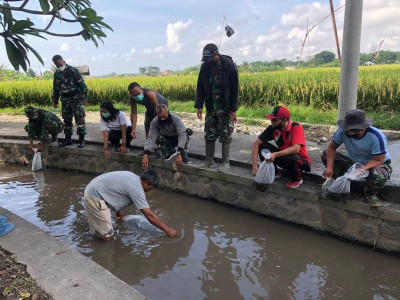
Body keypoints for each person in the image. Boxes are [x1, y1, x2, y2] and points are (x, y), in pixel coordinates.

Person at [321, 109, 392, 206]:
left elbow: (379, 160)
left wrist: (362, 170)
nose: (353, 133)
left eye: (357, 130)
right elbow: (331, 148)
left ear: (364, 127)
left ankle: (370, 193)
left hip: (377, 164)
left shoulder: (376, 137)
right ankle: (339, 184)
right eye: (350, 130)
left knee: (378, 174)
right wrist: (329, 168)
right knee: (326, 154)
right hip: (354, 162)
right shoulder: (342, 132)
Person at [83, 170, 178, 240]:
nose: (149, 190)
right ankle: (99, 250)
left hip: (94, 189)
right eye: (150, 188)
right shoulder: (136, 188)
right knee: (107, 238)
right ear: (145, 183)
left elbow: (115, 190)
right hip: (94, 196)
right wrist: (167, 230)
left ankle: (96, 231)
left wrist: (118, 210)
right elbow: (148, 214)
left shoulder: (133, 177)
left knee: (101, 228)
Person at [195, 43, 239, 171]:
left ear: (217, 54)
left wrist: (233, 109)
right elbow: (200, 86)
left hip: (225, 106)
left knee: (225, 134)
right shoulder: (205, 67)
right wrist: (199, 106)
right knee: (209, 133)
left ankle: (225, 162)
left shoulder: (228, 65)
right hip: (211, 106)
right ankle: (209, 160)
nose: (208, 62)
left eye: (210, 59)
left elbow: (235, 88)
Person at [252, 106, 312, 188]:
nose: (271, 122)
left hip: (300, 161)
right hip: (284, 157)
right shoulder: (272, 129)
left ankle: (296, 179)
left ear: (284, 120)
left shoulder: (296, 127)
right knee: (263, 146)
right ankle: (275, 172)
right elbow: (256, 144)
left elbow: (296, 149)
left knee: (291, 158)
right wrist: (255, 166)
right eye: (271, 120)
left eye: (274, 120)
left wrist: (275, 154)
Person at [52, 54, 88, 148]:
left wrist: (84, 97)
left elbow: (82, 85)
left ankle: (82, 140)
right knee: (67, 120)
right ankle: (68, 139)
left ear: (62, 60)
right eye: (55, 64)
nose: (57, 65)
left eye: (58, 63)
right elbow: (55, 88)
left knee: (79, 119)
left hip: (75, 98)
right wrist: (55, 100)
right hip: (64, 99)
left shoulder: (73, 70)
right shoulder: (57, 73)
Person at [142, 104, 191, 169]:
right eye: (160, 117)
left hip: (177, 138)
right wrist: (146, 154)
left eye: (164, 116)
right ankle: (169, 152)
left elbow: (181, 135)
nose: (162, 119)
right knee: (157, 137)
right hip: (167, 138)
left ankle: (184, 156)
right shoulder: (155, 122)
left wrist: (179, 153)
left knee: (185, 135)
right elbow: (151, 137)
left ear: (168, 112)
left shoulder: (176, 119)